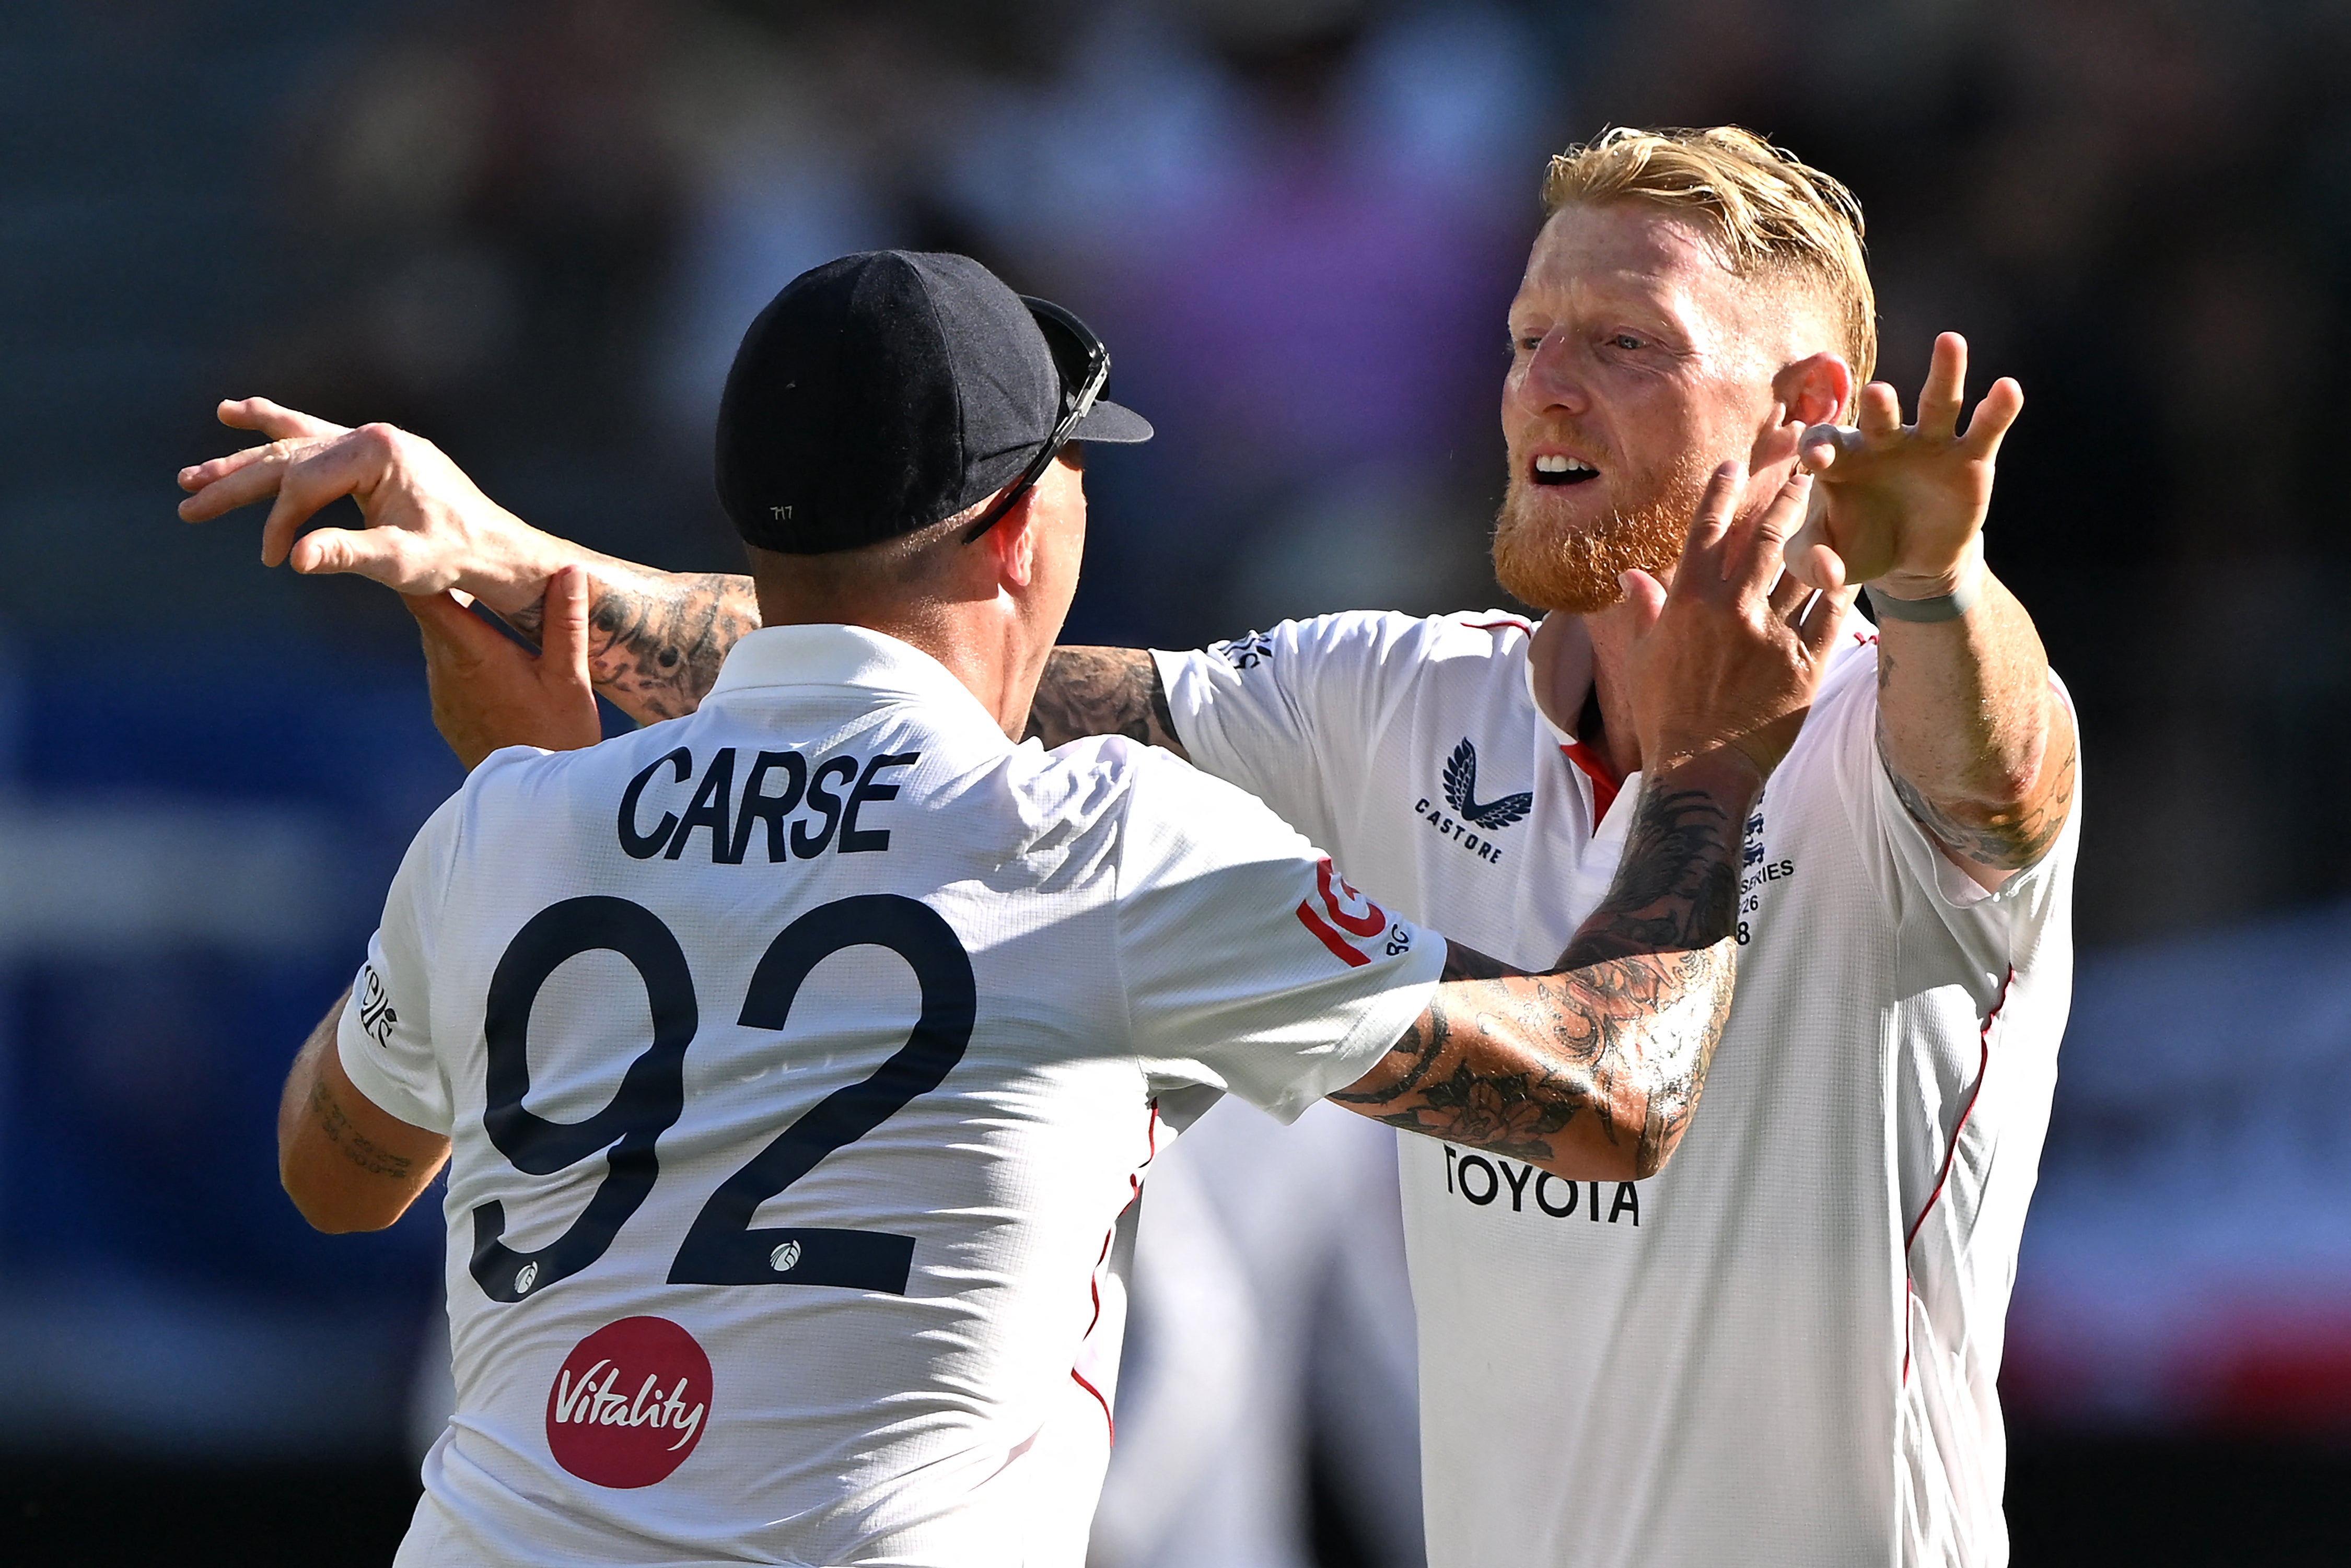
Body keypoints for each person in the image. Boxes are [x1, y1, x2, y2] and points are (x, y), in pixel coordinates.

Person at [181, 126, 2078, 1566]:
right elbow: (906, 666)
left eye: (1620, 342)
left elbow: (2001, 764)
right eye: (1524, 334)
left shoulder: (1903, 727)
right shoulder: (1380, 700)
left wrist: (1937, 577)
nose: (1541, 387)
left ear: (1812, 416)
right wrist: (524, 562)